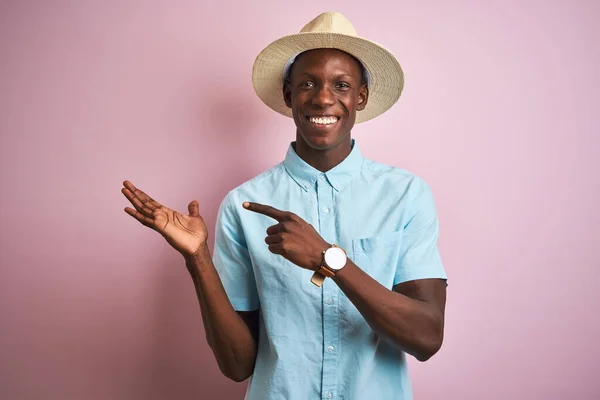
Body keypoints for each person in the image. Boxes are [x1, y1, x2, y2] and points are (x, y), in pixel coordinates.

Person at [122, 12, 447, 400]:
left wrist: (328, 259)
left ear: (360, 96)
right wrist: (198, 259)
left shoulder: (406, 195)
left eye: (341, 85)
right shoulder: (243, 207)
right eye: (308, 83)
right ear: (289, 94)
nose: (324, 97)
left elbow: (426, 338)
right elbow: (237, 365)